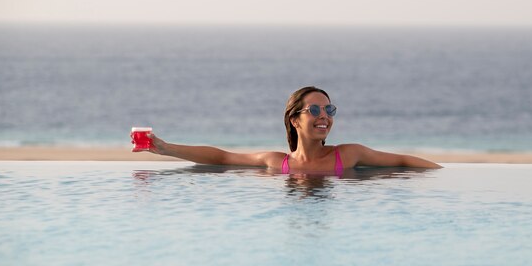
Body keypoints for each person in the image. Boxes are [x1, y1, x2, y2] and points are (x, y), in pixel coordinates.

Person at [143, 86, 442, 173]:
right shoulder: (276, 162)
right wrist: (165, 148)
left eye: (329, 109)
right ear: (295, 120)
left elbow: (402, 161)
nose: (323, 116)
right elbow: (222, 157)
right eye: (314, 110)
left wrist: (444, 173)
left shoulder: (349, 154)